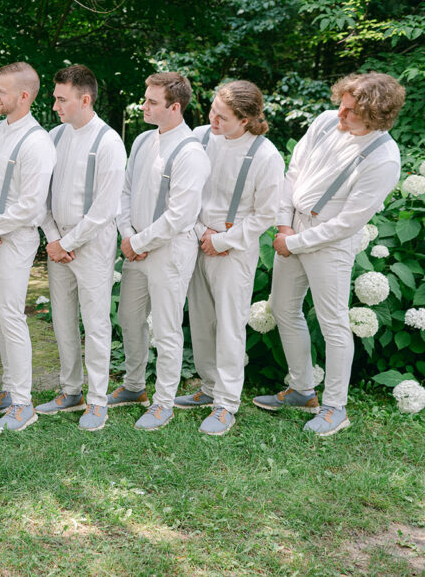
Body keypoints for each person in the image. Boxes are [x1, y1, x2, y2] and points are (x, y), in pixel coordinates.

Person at [254, 72, 404, 436]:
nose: (340, 114)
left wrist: (295, 243)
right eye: (341, 104)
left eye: (350, 111)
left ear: (376, 115)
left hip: (332, 245)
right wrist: (285, 226)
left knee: (333, 322)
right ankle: (302, 390)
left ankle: (336, 407)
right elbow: (294, 172)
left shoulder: (384, 158)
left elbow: (348, 223)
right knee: (284, 308)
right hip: (293, 227)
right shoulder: (325, 122)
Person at [177, 81, 283, 435]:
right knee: (202, 320)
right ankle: (208, 388)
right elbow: (184, 191)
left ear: (247, 119)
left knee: (229, 325)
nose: (213, 121)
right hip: (194, 239)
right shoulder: (199, 137)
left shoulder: (266, 155)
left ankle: (226, 404)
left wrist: (222, 240)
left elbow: (265, 215)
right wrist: (198, 233)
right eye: (212, 112)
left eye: (222, 118)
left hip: (234, 249)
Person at [110, 72, 210, 431]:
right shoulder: (140, 141)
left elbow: (180, 216)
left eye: (152, 101)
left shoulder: (191, 153)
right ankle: (134, 386)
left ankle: (163, 402)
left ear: (175, 107)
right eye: (146, 98)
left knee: (166, 328)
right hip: (134, 243)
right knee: (128, 317)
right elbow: (124, 190)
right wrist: (127, 234)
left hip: (169, 250)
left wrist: (137, 243)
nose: (144, 105)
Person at [37, 65, 126, 432]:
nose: (55, 105)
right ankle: (70, 389)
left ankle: (98, 400)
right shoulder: (54, 137)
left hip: (91, 243)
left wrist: (67, 243)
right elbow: (39, 194)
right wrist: (52, 238)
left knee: (95, 320)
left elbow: (105, 210)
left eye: (61, 98)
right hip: (57, 239)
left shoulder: (108, 142)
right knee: (61, 318)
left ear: (84, 99)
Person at [0, 62, 57, 433]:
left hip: (16, 237)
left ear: (23, 96)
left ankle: (24, 403)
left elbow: (31, 205)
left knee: (10, 315)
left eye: (2, 91)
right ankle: (8, 389)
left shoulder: (38, 142)